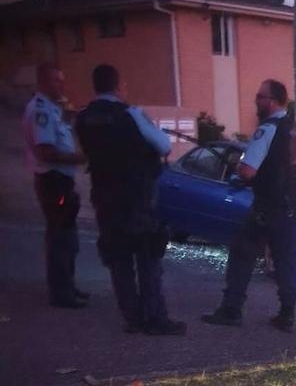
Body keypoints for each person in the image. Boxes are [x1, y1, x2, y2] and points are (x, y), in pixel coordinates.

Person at [75, 64, 185, 336]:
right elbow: (164, 146)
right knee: (148, 257)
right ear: (117, 85)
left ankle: (132, 318)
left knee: (118, 259)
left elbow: (87, 154)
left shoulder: (83, 119)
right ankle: (155, 318)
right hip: (137, 198)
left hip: (104, 197)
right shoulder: (132, 114)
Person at [202, 79, 296, 332]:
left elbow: (248, 171)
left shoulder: (266, 130)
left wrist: (240, 167)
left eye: (260, 97)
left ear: (272, 101)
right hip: (293, 205)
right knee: (285, 261)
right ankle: (287, 313)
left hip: (267, 208)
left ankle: (231, 309)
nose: (256, 101)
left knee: (242, 253)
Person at [23, 64, 88, 308]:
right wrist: (81, 158)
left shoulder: (53, 109)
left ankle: (68, 287)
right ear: (42, 82)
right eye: (55, 81)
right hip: (53, 181)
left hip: (61, 181)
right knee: (60, 238)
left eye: (62, 81)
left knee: (67, 236)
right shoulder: (41, 111)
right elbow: (46, 151)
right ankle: (62, 294)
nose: (61, 85)